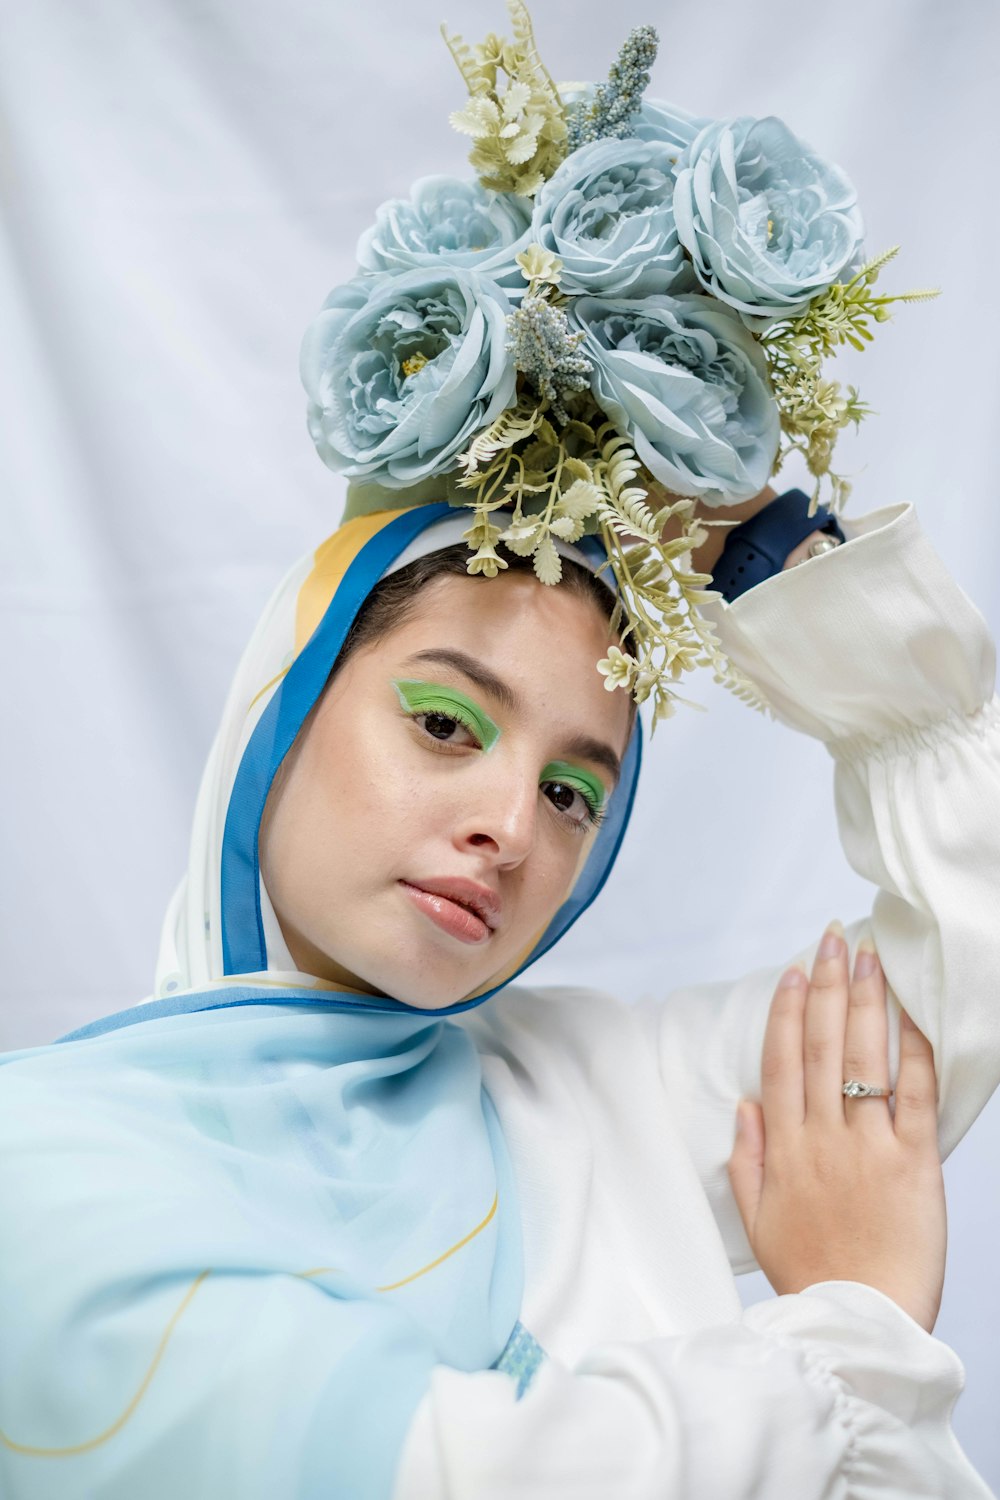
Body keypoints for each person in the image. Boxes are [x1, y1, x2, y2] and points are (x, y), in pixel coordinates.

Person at [0, 481, 997, 1499]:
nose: (512, 830)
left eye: (571, 794)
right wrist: (855, 1326)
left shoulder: (586, 1087)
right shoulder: (37, 1159)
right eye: (445, 724)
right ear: (284, 701)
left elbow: (960, 977)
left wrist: (776, 555)